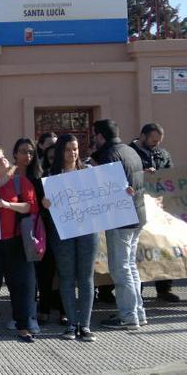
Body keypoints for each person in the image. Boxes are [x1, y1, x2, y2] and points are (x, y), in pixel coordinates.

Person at [42, 134, 99, 342]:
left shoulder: (90, 172)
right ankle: (71, 324)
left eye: (75, 149)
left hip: (88, 230)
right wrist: (45, 204)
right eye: (67, 149)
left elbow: (106, 195)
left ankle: (85, 325)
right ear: (60, 152)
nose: (72, 153)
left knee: (86, 277)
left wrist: (124, 192)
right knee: (66, 277)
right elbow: (45, 210)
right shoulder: (51, 175)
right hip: (62, 232)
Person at [91, 119, 147, 330]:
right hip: (137, 215)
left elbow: (105, 188)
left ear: (100, 136)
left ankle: (128, 315)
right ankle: (137, 312)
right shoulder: (130, 151)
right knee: (130, 266)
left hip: (121, 218)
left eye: (95, 136)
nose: (93, 140)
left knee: (120, 268)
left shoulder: (109, 155)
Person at [0, 148, 37, 343]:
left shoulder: (20, 181)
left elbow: (29, 206)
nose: (2, 160)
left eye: (3, 157)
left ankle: (23, 326)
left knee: (18, 285)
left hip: (15, 241)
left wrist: (7, 205)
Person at [130, 123, 179, 303]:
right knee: (139, 251)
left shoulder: (163, 154)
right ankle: (137, 291)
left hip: (160, 210)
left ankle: (164, 288)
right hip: (138, 209)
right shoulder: (129, 153)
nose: (156, 144)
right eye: (153, 140)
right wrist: (142, 173)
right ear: (142, 136)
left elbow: (171, 175)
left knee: (163, 247)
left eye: (158, 141)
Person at [10, 139, 51, 333]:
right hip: (11, 231)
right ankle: (18, 314)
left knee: (33, 276)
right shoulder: (8, 175)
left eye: (31, 152)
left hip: (34, 231)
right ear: (14, 154)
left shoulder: (40, 177)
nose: (27, 156)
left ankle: (32, 315)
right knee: (15, 276)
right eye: (23, 152)